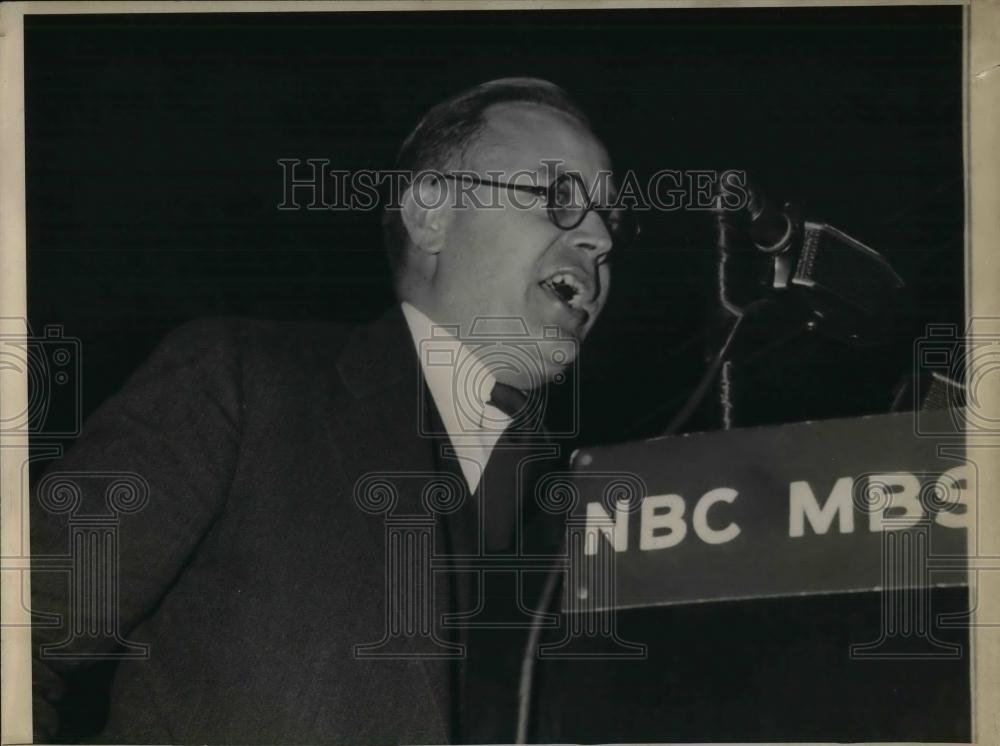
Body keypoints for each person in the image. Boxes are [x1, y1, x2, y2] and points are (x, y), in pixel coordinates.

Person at [30, 77, 625, 744]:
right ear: (432, 213)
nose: (600, 237)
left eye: (610, 216)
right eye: (559, 198)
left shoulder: (591, 506)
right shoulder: (238, 382)